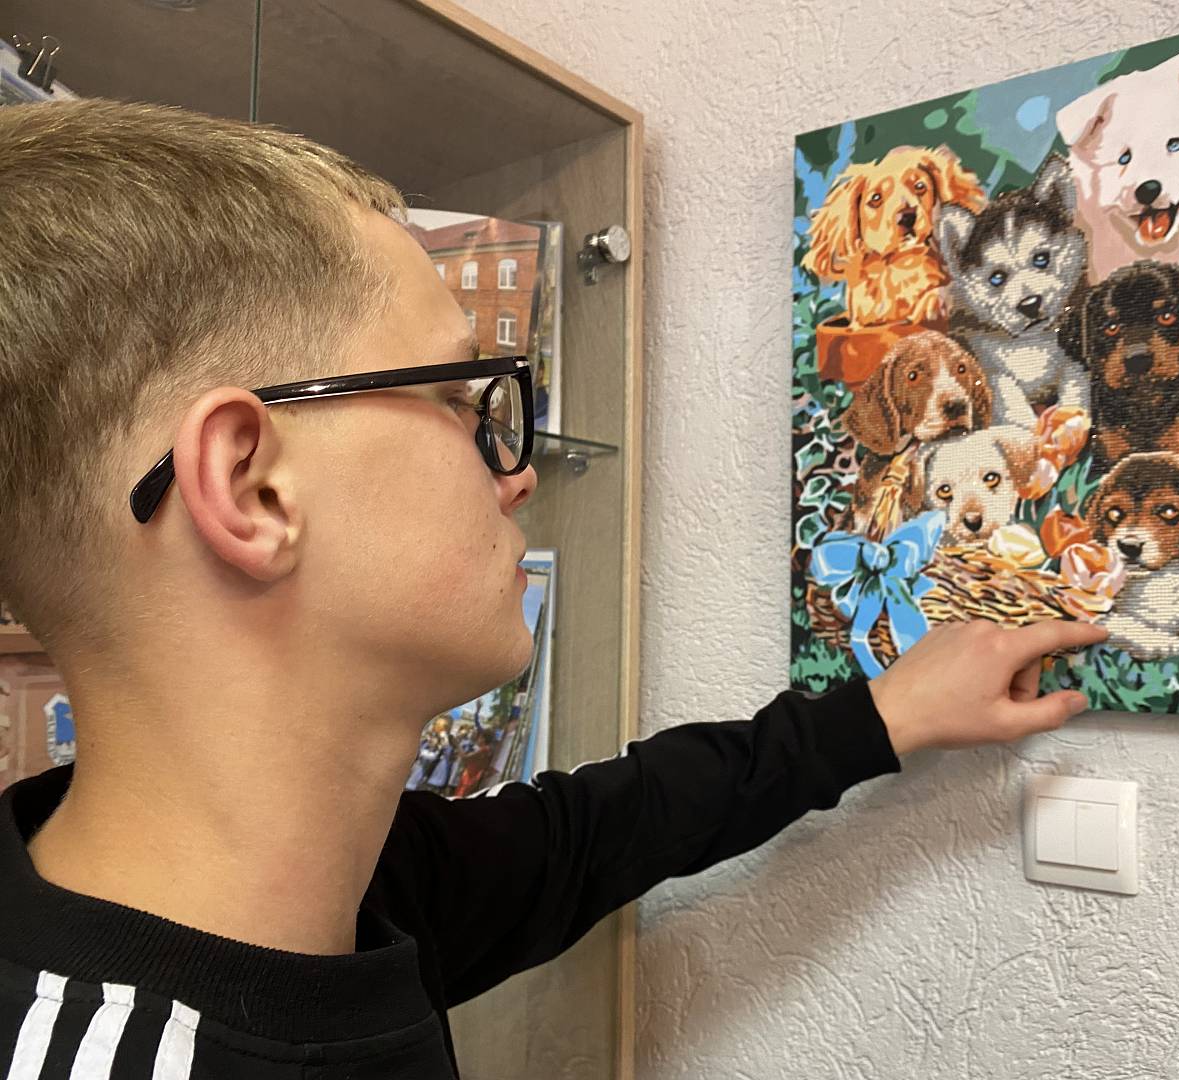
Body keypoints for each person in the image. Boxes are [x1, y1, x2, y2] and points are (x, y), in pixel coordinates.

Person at [0, 98, 1107, 1079]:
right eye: (461, 399)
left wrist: (885, 715)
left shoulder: (356, 887)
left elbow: (602, 829)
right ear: (253, 489)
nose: (517, 473)